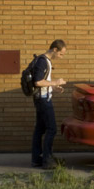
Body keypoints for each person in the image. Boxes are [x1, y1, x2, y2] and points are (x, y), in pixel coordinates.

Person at [31, 39, 67, 169]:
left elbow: (43, 83)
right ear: (55, 50)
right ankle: (47, 160)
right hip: (43, 101)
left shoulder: (44, 60)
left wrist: (54, 88)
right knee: (52, 129)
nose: (61, 57)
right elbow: (38, 82)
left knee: (40, 130)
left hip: (41, 98)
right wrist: (56, 82)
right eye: (61, 54)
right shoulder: (43, 61)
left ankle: (36, 159)